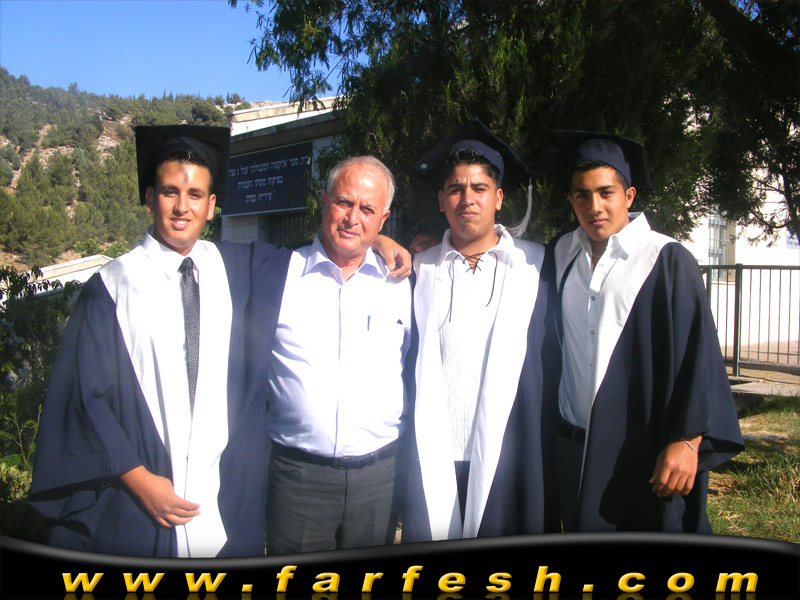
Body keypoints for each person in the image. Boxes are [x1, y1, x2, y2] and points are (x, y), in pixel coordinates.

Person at [28, 125, 291, 557]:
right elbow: (83, 399)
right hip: (140, 509)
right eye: (171, 192)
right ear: (150, 198)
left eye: (195, 195)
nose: (182, 207)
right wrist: (140, 481)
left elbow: (321, 258)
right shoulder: (112, 286)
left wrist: (374, 239)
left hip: (224, 508)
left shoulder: (238, 267)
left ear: (211, 206)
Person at [552, 130, 744, 532]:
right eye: (582, 195)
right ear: (571, 200)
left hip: (636, 449)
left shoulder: (666, 259)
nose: (594, 206)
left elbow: (698, 356)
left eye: (606, 193)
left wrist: (688, 441)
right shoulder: (561, 253)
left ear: (629, 195)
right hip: (570, 445)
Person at [402, 118, 560, 541]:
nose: (467, 199)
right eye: (455, 189)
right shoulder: (417, 270)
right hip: (433, 455)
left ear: (499, 198)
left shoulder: (538, 267)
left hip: (511, 455)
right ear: (441, 200)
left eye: (479, 188)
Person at [265, 156, 413, 554]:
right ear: (325, 201)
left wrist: (379, 243)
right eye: (344, 202)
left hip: (379, 480)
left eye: (367, 209)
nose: (352, 218)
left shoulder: (403, 284)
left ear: (383, 219)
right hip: (298, 481)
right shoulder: (279, 274)